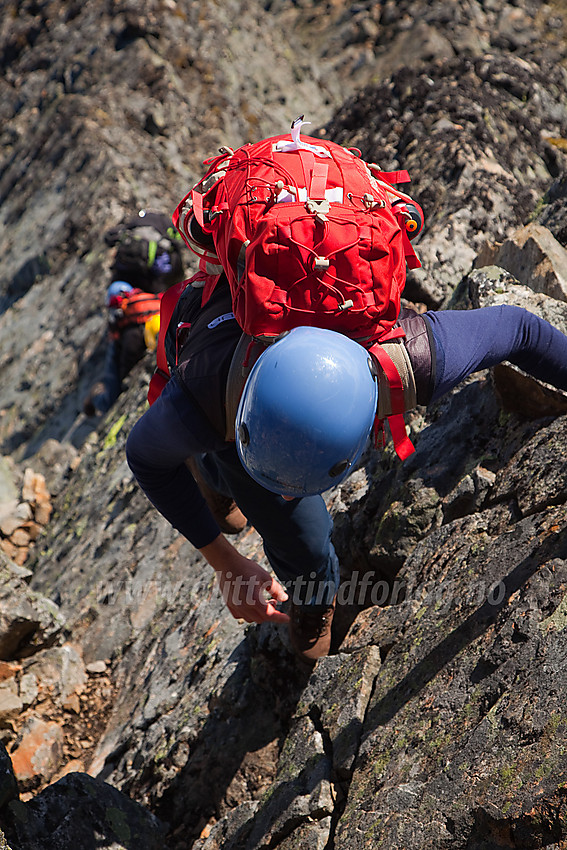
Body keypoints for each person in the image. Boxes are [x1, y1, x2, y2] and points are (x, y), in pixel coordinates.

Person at [126, 260, 567, 665]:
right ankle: (215, 475)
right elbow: (146, 459)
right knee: (288, 526)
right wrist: (226, 564)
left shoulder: (410, 358)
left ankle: (238, 493)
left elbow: (518, 329)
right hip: (211, 345)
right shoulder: (200, 393)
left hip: (240, 397)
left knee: (300, 537)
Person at [83, 210, 185, 417]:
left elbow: (108, 237)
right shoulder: (166, 232)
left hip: (127, 300)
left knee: (115, 359)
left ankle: (101, 401)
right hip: (156, 300)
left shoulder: (132, 227)